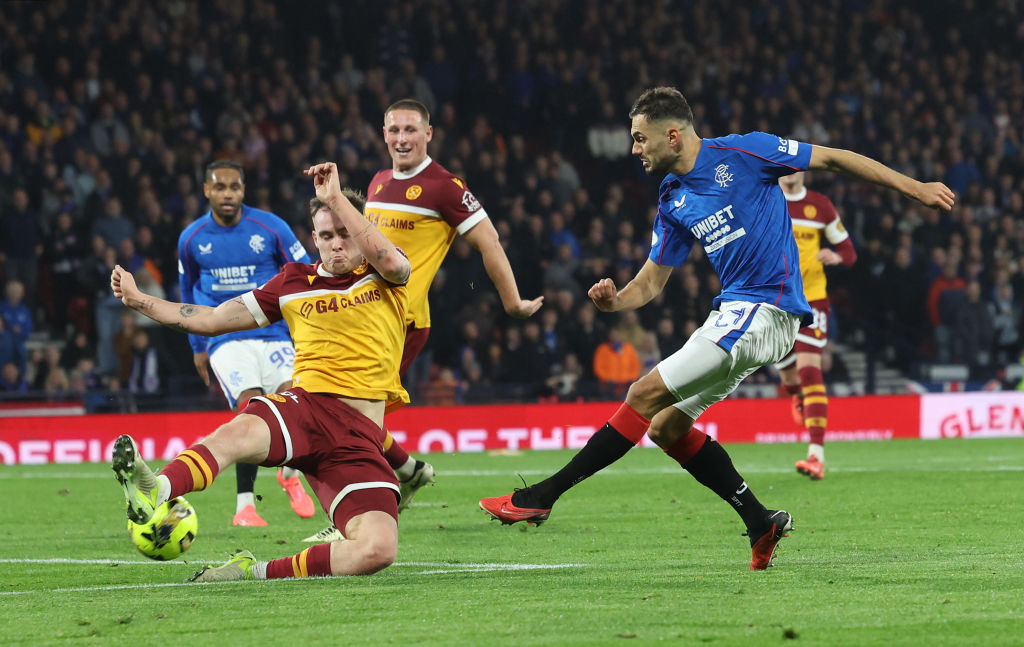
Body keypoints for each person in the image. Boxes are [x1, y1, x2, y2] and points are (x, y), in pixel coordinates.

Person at [480, 86, 954, 570]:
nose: (634, 149)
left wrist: (915, 189)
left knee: (642, 393)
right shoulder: (672, 197)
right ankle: (760, 521)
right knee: (665, 426)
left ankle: (542, 496)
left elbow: (832, 158)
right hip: (737, 315)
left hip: (767, 308)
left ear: (672, 135)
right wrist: (615, 301)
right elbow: (652, 281)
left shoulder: (747, 152)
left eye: (640, 138)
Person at [110, 163, 412, 581]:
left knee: (377, 550)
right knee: (238, 431)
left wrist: (335, 199)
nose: (337, 244)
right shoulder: (293, 282)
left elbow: (392, 262)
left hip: (359, 437)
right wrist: (139, 300)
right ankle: (155, 488)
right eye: (326, 236)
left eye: (345, 233)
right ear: (314, 240)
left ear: (362, 231)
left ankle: (252, 571)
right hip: (307, 409)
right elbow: (212, 319)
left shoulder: (385, 275)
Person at [305, 98, 543, 542]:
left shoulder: (445, 187)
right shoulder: (378, 182)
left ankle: (358, 519)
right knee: (349, 415)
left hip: (403, 321)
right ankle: (406, 471)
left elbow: (489, 242)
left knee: (347, 418)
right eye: (394, 130)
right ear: (383, 134)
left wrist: (513, 303)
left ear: (428, 134)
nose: (402, 139)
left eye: (411, 130)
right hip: (362, 317)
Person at [178, 159, 315, 527]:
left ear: (244, 190)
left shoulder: (272, 228)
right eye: (220, 187)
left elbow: (306, 274)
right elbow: (187, 293)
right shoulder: (191, 238)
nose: (228, 194)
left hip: (275, 334)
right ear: (206, 190)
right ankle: (245, 507)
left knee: (296, 405)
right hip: (226, 339)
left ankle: (290, 475)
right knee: (253, 410)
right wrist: (198, 347)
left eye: (234, 187)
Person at [774, 172, 857, 481]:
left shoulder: (820, 205)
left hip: (812, 300)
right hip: (775, 300)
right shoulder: (765, 199)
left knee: (810, 370)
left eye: (795, 166)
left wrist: (834, 256)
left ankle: (816, 456)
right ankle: (796, 395)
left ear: (803, 170)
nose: (790, 170)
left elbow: (849, 252)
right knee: (787, 373)